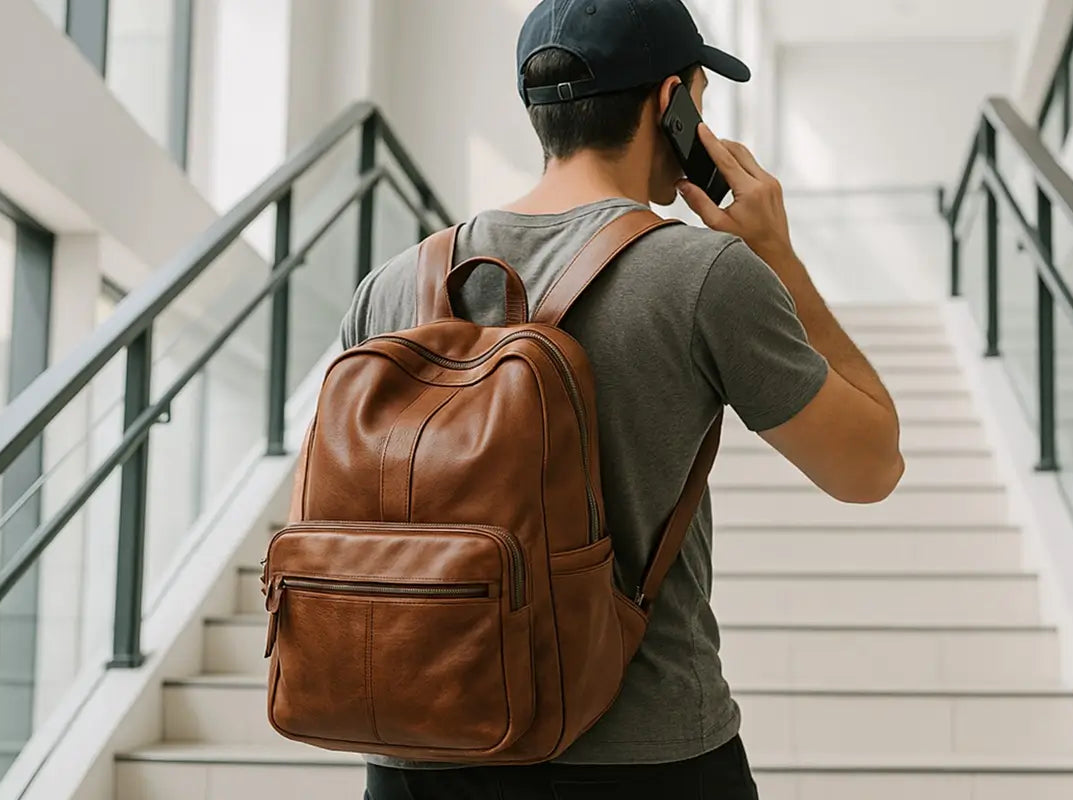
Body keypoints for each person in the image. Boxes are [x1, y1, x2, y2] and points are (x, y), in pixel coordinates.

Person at [341, 1, 905, 797]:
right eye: (701, 100)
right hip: (643, 752)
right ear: (670, 102)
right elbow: (871, 466)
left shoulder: (391, 287)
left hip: (418, 744)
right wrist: (778, 257)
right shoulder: (704, 275)